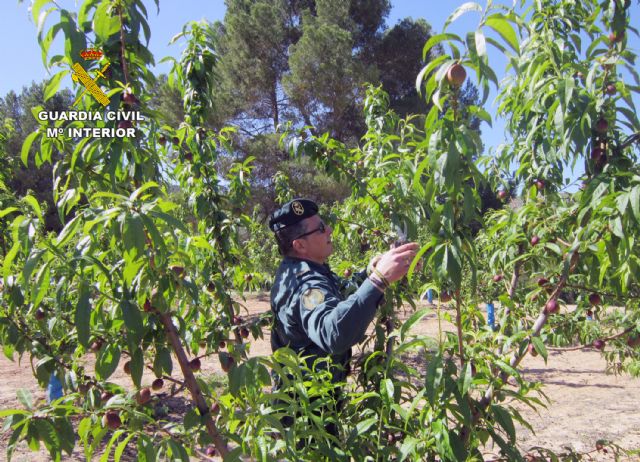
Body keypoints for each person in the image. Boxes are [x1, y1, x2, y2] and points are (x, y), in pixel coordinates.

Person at [268, 198, 419, 384]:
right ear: (300, 245)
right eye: (321, 228)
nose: (329, 230)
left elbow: (339, 293)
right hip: (306, 409)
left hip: (320, 404)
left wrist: (369, 272)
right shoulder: (304, 287)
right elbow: (333, 333)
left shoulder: (310, 270)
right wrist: (379, 280)